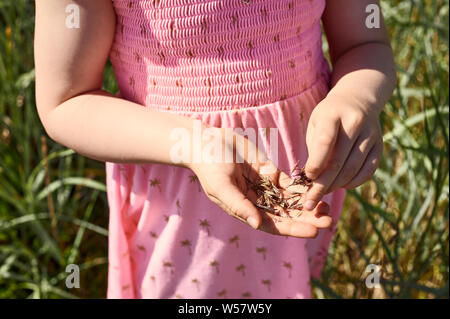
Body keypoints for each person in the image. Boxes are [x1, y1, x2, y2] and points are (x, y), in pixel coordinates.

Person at [34, 0, 396, 298]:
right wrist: (195, 144)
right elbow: (67, 101)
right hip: (176, 190)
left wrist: (356, 99)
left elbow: (365, 44)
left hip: (294, 184)